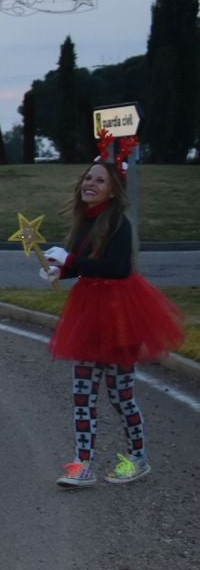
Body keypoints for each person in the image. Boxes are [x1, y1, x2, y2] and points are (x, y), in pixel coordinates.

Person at [43, 153, 184, 488]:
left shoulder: (120, 224)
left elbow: (117, 268)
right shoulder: (85, 221)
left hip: (120, 314)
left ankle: (137, 458)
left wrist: (71, 259)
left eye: (99, 180)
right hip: (89, 312)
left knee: (120, 394)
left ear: (113, 191)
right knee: (82, 392)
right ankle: (82, 463)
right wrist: (61, 270)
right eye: (88, 178)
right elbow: (83, 265)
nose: (90, 184)